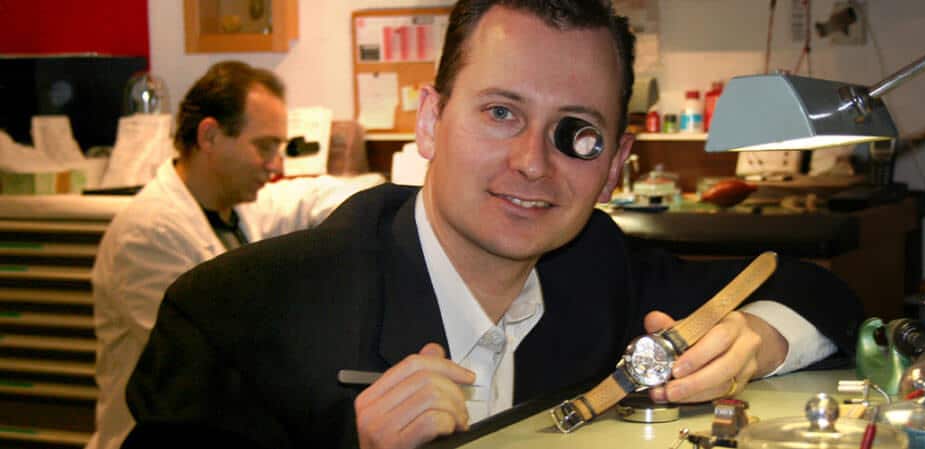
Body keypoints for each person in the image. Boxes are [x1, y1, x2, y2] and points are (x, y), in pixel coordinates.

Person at [123, 2, 863, 448]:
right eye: (501, 112)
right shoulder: (238, 315)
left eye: (576, 133)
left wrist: (757, 341)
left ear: (615, 166)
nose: (532, 163)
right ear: (431, 120)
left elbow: (818, 292)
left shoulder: (594, 263)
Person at [88, 61, 383, 449]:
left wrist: (397, 205)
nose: (276, 165)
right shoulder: (147, 233)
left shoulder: (240, 207)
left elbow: (320, 196)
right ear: (209, 136)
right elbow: (207, 361)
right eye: (264, 147)